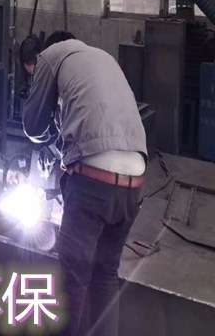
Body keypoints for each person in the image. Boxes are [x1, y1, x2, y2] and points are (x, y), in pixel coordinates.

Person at [22, 31, 147, 336]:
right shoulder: (103, 57)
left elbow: (33, 127)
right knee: (105, 276)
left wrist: (50, 136)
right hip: (134, 180)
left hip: (93, 182)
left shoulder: (50, 57)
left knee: (72, 281)